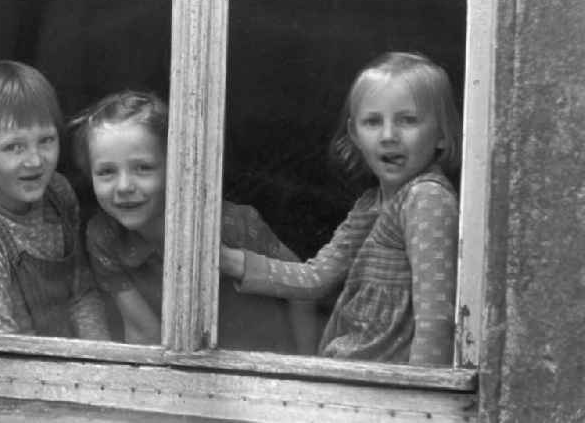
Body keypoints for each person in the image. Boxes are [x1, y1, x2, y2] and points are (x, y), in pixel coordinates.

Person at [221, 52, 461, 366]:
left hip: (391, 391)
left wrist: (423, 397)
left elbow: (436, 319)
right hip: (354, 372)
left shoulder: (426, 198)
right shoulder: (371, 203)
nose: (389, 136)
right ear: (355, 134)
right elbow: (315, 277)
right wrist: (225, 260)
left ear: (441, 133)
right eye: (373, 122)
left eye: (408, 120)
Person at [70, 90, 320, 353]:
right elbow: (144, 332)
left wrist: (307, 362)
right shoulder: (105, 236)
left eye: (143, 168)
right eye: (107, 172)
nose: (124, 186)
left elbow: (301, 285)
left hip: (264, 364)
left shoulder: (230, 224)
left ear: (175, 166)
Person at [0, 60, 109, 339]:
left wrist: (100, 361)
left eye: (46, 140)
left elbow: (81, 293)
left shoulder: (58, 192)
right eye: (14, 147)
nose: (35, 161)